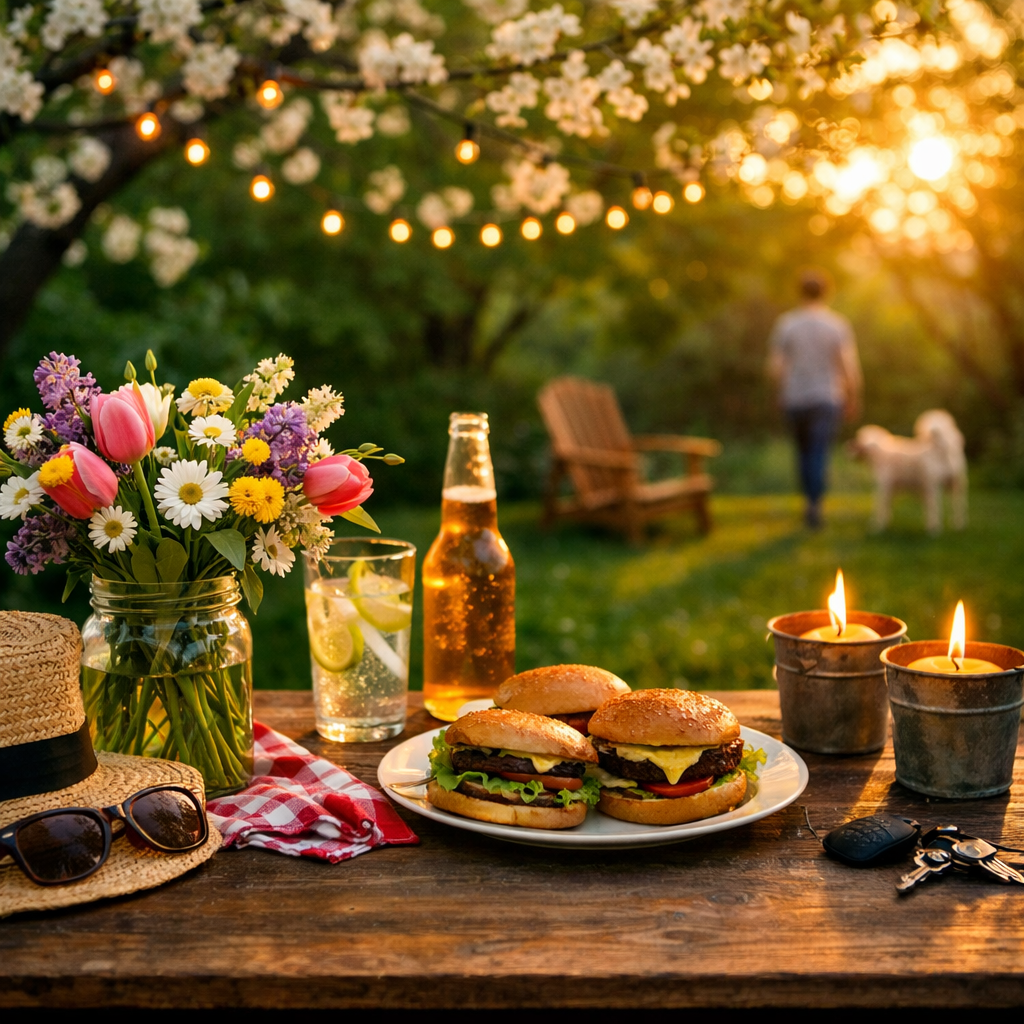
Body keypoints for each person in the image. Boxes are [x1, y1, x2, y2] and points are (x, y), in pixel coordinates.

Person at [767, 268, 863, 529]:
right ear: (827, 292)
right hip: (826, 398)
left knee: (802, 453)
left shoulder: (787, 324)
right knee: (818, 452)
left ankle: (809, 502)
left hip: (794, 399)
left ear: (799, 292)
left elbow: (776, 366)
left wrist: (780, 391)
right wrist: (852, 396)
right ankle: (815, 504)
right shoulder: (836, 325)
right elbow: (848, 366)